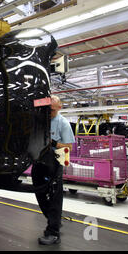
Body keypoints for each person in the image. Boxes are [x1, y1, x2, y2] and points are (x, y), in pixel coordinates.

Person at [33, 95, 75, 245]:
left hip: (56, 161)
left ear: (59, 107)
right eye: (46, 109)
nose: (48, 112)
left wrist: (53, 143)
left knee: (55, 196)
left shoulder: (63, 123)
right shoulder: (41, 120)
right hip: (39, 160)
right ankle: (54, 219)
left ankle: (53, 232)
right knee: (39, 191)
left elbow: (69, 147)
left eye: (51, 109)